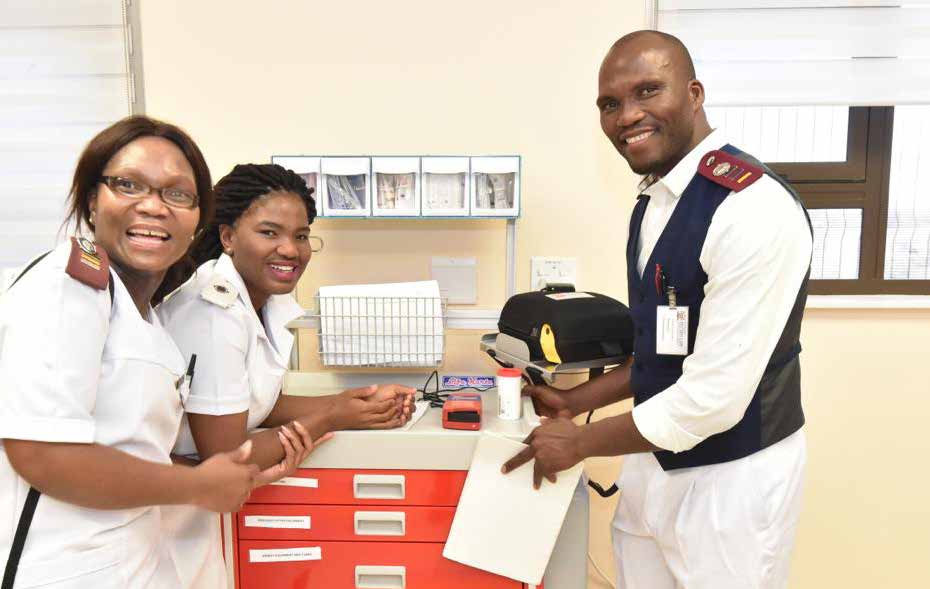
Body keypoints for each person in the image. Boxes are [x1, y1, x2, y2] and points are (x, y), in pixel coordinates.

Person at [502, 31, 813, 588]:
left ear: (693, 93)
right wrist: (574, 402)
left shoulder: (752, 209)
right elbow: (662, 352)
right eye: (610, 104)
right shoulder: (655, 202)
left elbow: (713, 399)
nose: (628, 116)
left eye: (648, 91)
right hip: (654, 459)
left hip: (731, 478)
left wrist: (581, 442)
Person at [0, 116, 308, 589]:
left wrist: (221, 475)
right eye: (128, 185)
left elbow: (130, 446)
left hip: (135, 559)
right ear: (90, 200)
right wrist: (201, 484)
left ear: (197, 218)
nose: (153, 206)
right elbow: (43, 453)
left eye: (177, 194)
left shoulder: (142, 312)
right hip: (64, 570)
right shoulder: (67, 286)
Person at [156, 163, 415, 588]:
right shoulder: (213, 313)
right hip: (171, 514)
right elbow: (228, 453)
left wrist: (351, 404)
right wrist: (328, 419)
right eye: (269, 232)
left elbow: (256, 401)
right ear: (227, 237)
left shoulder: (263, 301)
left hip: (199, 512)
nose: (290, 250)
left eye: (300, 235)